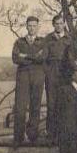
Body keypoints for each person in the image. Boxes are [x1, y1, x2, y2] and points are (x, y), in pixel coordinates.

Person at [12, 15, 47, 144]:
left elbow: (42, 58)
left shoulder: (43, 41)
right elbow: (15, 58)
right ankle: (18, 137)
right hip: (23, 76)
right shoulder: (19, 42)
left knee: (35, 106)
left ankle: (33, 136)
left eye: (34, 26)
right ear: (26, 26)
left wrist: (25, 56)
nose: (32, 28)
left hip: (38, 76)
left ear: (38, 27)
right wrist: (34, 56)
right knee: (20, 107)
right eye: (30, 25)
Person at [44, 15, 73, 142]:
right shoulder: (48, 39)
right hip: (51, 73)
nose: (59, 25)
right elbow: (43, 57)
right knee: (51, 104)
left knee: (64, 104)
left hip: (65, 73)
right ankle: (51, 133)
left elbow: (72, 58)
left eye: (61, 23)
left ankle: (63, 133)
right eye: (56, 23)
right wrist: (47, 72)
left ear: (64, 24)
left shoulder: (69, 39)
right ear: (53, 24)